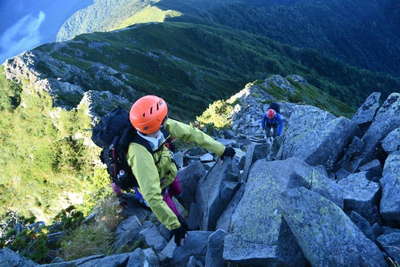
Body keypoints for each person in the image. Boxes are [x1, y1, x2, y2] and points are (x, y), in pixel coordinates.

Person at [113, 95, 235, 246]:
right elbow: (152, 195)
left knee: (178, 191)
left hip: (168, 172)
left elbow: (192, 133)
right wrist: (175, 226)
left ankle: (183, 207)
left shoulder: (160, 127)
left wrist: (221, 149)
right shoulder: (139, 153)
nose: (167, 119)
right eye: (164, 117)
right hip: (157, 186)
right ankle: (181, 224)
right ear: (156, 122)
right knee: (175, 215)